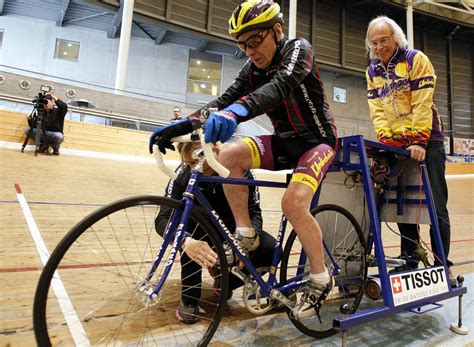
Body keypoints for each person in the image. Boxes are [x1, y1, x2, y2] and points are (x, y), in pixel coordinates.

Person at [149, 0, 338, 320]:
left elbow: (279, 87)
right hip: (284, 143)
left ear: (277, 31)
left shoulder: (298, 50)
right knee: (229, 154)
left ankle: (320, 278)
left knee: (293, 204)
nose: (249, 51)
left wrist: (235, 112)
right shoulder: (252, 70)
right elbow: (223, 101)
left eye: (255, 41)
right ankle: (245, 233)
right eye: (242, 45)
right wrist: (181, 126)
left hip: (317, 143)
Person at [365, 16, 454, 284]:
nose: (380, 47)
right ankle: (409, 260)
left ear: (396, 38)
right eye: (374, 43)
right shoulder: (372, 72)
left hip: (428, 140)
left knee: (435, 204)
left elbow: (422, 102)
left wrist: (419, 140)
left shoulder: (416, 59)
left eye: (384, 40)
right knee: (403, 204)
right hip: (397, 145)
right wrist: (386, 140)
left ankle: (441, 265)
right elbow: (377, 111)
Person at [155, 140, 277, 324]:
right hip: (200, 232)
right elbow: (162, 219)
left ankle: (224, 280)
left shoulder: (241, 171)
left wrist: (246, 242)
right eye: (190, 163)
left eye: (200, 159)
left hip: (234, 232)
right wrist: (185, 242)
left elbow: (254, 213)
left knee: (271, 248)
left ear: (213, 152)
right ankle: (190, 299)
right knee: (193, 222)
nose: (195, 167)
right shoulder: (182, 174)